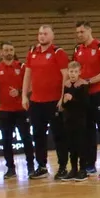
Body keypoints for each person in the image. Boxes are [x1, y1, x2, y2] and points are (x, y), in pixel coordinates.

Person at [22, 25, 67, 179]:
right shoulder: (32, 52)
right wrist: (24, 95)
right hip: (36, 102)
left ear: (52, 36)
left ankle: (62, 167)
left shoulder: (58, 52)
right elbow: (27, 75)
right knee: (38, 135)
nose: (42, 36)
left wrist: (62, 97)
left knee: (59, 135)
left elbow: (65, 76)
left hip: (53, 101)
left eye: (45, 34)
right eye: (40, 33)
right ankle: (41, 166)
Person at [74, 21, 100, 178]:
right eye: (77, 32)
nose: (79, 35)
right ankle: (90, 164)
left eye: (82, 32)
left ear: (89, 30)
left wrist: (88, 81)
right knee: (88, 130)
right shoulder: (78, 49)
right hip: (84, 95)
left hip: (98, 93)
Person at [0, 42, 32, 179]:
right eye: (6, 50)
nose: (9, 52)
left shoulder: (22, 66)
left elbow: (30, 86)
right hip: (5, 111)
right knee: (7, 141)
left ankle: (31, 166)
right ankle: (10, 168)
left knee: (26, 138)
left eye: (11, 50)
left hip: (21, 109)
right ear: (1, 53)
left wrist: (19, 92)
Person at [60, 62, 92, 182]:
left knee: (81, 144)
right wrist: (64, 101)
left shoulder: (83, 84)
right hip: (68, 118)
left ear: (79, 72)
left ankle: (83, 169)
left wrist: (72, 99)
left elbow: (86, 104)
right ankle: (73, 169)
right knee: (71, 145)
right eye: (71, 71)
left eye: (75, 72)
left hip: (80, 119)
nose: (73, 74)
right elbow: (64, 104)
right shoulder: (66, 84)